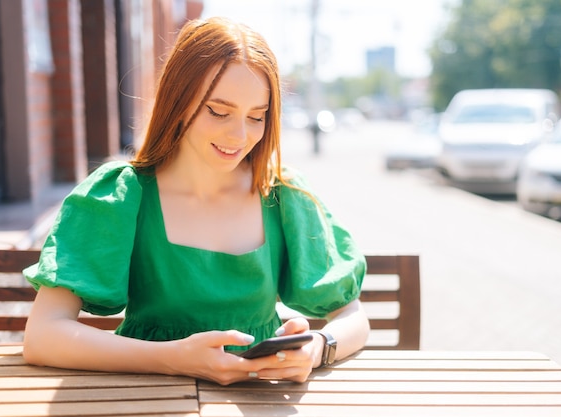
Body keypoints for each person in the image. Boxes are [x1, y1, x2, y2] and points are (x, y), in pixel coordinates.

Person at [22, 16, 369, 385]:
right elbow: (43, 335)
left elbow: (353, 318)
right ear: (178, 99)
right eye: (218, 111)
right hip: (144, 397)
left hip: (258, 401)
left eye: (257, 117)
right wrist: (174, 359)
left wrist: (318, 345)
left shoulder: (285, 195)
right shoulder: (120, 196)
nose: (239, 135)